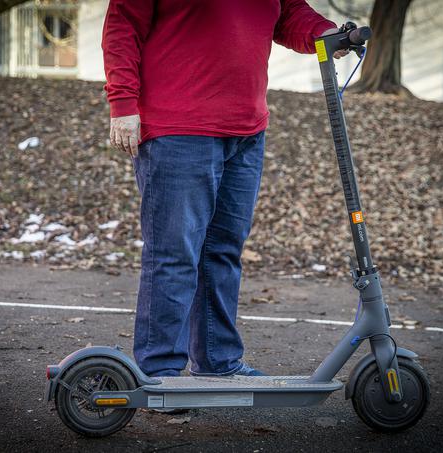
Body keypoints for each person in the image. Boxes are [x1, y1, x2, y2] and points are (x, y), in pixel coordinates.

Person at [102, 0, 344, 379]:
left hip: (246, 130)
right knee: (175, 254)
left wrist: (324, 34)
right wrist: (122, 103)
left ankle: (217, 361)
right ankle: (159, 373)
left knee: (223, 253)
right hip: (178, 128)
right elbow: (122, 28)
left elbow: (289, 13)